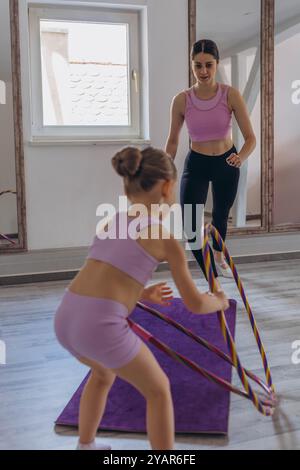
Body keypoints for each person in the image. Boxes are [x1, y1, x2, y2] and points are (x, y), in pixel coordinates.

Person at [54, 146, 229, 451]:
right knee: (159, 390)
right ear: (167, 186)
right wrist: (219, 300)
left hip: (67, 317)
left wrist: (143, 294)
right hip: (99, 325)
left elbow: (106, 278)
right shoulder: (164, 238)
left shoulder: (111, 222)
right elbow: (195, 304)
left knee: (102, 372)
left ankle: (86, 446)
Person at [165, 39, 256, 278]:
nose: (203, 71)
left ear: (216, 64)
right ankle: (210, 273)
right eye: (198, 65)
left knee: (220, 216)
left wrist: (241, 157)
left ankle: (218, 257)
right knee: (190, 225)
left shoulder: (230, 95)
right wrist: (164, 169)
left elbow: (250, 138)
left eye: (208, 65)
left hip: (226, 162)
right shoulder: (182, 100)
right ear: (192, 66)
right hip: (197, 163)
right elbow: (173, 141)